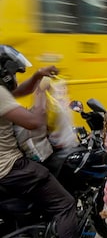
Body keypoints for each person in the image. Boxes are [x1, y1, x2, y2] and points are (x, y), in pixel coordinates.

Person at [0, 45, 78, 237]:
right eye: (14, 73)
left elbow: (16, 92)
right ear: (5, 73)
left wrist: (36, 76)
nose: (15, 78)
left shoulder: (3, 92)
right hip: (11, 167)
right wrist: (41, 91)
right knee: (66, 206)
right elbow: (35, 122)